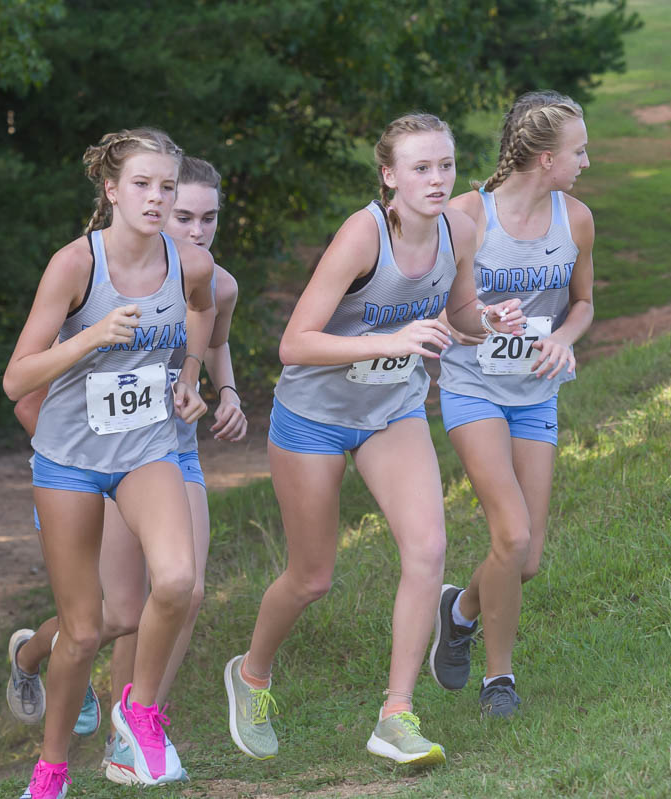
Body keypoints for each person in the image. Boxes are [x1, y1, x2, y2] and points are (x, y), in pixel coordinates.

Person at [222, 113, 524, 767]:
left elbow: (461, 312)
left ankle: (396, 714)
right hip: (313, 418)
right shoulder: (364, 234)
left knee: (428, 547)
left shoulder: (460, 230)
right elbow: (293, 343)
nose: (438, 179)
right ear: (389, 175)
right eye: (421, 167)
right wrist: (392, 339)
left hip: (392, 410)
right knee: (311, 576)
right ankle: (250, 674)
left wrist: (488, 318)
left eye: (445, 165)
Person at [6, 156, 247, 788]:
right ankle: (52, 767)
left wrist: (193, 376)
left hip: (147, 449)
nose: (157, 198)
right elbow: (16, 378)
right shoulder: (76, 264)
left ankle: (138, 710)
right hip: (70, 461)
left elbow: (201, 309)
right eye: (142, 184)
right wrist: (90, 337)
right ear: (111, 190)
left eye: (166, 186)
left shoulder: (192, 264)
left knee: (178, 581)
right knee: (85, 631)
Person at [431, 90, 595, 719]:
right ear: (545, 157)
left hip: (536, 395)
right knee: (512, 531)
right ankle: (500, 679)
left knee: (524, 560)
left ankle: (461, 610)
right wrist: (481, 320)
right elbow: (443, 306)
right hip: (473, 386)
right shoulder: (467, 215)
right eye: (579, 150)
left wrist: (561, 337)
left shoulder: (575, 219)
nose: (587, 160)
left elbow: (582, 303)